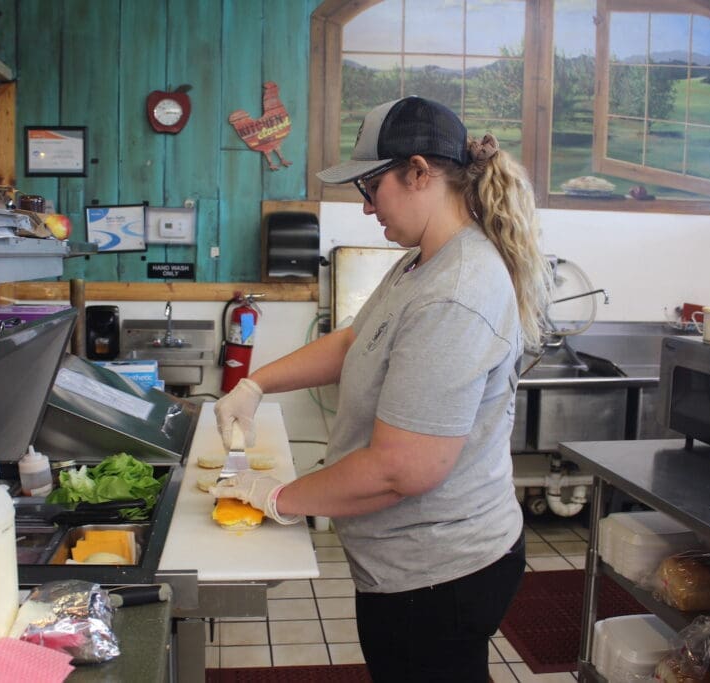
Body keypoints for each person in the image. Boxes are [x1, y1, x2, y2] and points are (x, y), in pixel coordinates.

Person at [211, 96, 551, 682]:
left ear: (419, 172)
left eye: (371, 188)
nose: (367, 209)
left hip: (439, 574)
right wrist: (256, 384)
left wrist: (275, 498)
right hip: (410, 562)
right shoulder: (422, 262)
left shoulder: (458, 291)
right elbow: (353, 342)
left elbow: (402, 470)